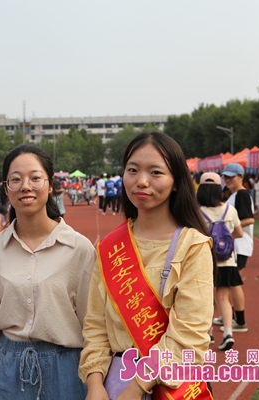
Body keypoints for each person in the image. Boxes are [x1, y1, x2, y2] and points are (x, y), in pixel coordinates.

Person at [80, 132, 214, 399]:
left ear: (176, 182)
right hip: (114, 383)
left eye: (155, 172)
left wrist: (136, 389)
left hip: (170, 386)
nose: (141, 181)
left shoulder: (193, 246)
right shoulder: (109, 247)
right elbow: (95, 325)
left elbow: (190, 334)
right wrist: (95, 385)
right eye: (133, 170)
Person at [0, 144, 95, 399]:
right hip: (8, 367)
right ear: (6, 188)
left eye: (35, 178)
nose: (25, 186)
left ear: (50, 185)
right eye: (15, 179)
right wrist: (12, 354)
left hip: (66, 367)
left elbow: (91, 322)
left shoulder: (79, 248)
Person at [197, 172, 243, 350]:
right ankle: (228, 333)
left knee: (207, 299)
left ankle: (208, 334)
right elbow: (239, 233)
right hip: (228, 261)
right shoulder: (230, 210)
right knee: (224, 298)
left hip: (205, 261)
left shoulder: (197, 211)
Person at [214, 162, 254, 333]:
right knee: (229, 283)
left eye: (232, 176)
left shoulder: (242, 195)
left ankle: (241, 321)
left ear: (241, 177)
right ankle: (228, 313)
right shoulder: (233, 195)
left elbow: (249, 219)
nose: (228, 179)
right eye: (226, 176)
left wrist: (224, 230)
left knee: (234, 283)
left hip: (239, 245)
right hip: (233, 246)